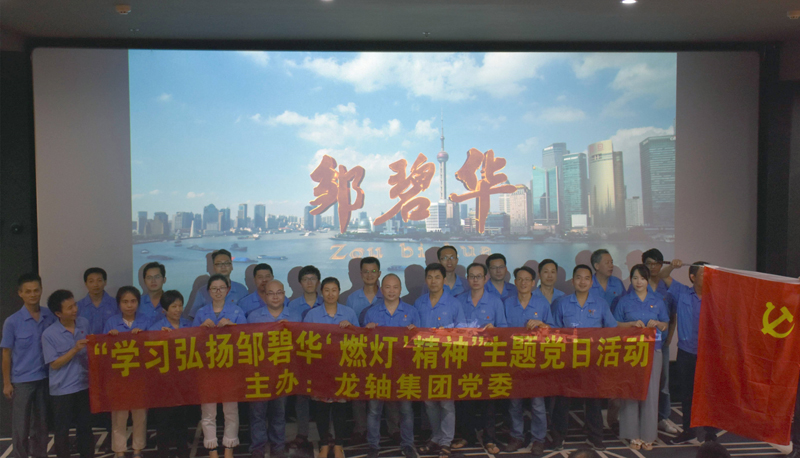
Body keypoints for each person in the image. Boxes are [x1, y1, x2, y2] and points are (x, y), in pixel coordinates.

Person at [551, 265, 617, 451]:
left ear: (591, 282)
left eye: (586, 278)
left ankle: (596, 438)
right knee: (562, 401)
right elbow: (554, 331)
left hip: (592, 361)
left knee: (593, 401)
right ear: (573, 281)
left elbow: (611, 329)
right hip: (568, 361)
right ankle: (558, 438)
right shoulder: (562, 303)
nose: (582, 281)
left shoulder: (601, 304)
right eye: (578, 278)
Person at [362, 274, 419, 458]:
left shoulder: (411, 312)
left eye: (395, 287)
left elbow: (420, 343)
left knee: (406, 410)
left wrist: (414, 333)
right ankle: (373, 445)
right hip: (378, 370)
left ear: (400, 289)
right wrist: (367, 331)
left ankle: (408, 444)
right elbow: (363, 345)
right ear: (381, 290)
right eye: (387, 287)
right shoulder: (371, 313)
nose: (391, 291)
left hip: (404, 370)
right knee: (374, 411)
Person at [613, 265, 669, 451]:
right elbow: (615, 325)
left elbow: (665, 324)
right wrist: (629, 324)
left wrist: (658, 323)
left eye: (643, 278)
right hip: (630, 351)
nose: (639, 282)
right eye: (635, 278)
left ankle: (648, 435)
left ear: (647, 280)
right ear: (630, 279)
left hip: (653, 350)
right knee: (631, 391)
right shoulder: (624, 301)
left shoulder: (657, 300)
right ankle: (632, 434)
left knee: (651, 392)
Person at [303, 277, 359, 458]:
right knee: (321, 410)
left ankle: (339, 445)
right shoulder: (312, 315)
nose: (330, 294)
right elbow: (304, 340)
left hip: (342, 369)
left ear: (339, 292)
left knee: (340, 410)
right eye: (326, 290)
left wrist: (351, 328)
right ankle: (324, 445)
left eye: (334, 290)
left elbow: (360, 340)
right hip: (320, 370)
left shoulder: (349, 313)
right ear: (321, 292)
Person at [1, 273, 57, 458]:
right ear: (20, 293)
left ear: (41, 290)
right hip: (22, 381)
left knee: (41, 425)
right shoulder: (12, 322)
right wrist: (7, 383)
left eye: (36, 290)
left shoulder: (50, 316)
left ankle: (40, 455)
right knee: (21, 426)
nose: (33, 294)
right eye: (28, 291)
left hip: (45, 378)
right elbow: (6, 353)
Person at [453, 263, 506, 453]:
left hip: (488, 358)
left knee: (488, 400)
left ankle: (489, 439)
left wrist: (495, 330)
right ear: (467, 278)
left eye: (479, 276)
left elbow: (504, 329)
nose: (475, 280)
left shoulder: (495, 302)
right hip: (465, 358)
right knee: (465, 399)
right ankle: (466, 436)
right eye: (472, 276)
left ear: (486, 278)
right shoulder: (458, 301)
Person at [415, 263, 466, 458]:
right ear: (425, 280)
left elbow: (463, 332)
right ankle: (435, 437)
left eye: (437, 277)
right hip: (424, 359)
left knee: (446, 402)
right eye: (430, 277)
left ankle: (446, 441)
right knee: (429, 402)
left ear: (444, 279)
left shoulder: (454, 304)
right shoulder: (419, 303)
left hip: (447, 360)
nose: (433, 281)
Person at [193, 274, 247, 458]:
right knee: (208, 411)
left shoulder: (237, 311)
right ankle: (212, 450)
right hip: (207, 369)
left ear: (228, 290)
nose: (218, 292)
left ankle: (229, 447)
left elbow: (247, 338)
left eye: (222, 288)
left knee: (230, 410)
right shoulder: (201, 313)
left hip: (230, 368)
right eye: (214, 288)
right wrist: (200, 328)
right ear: (208, 291)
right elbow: (191, 342)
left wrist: (233, 326)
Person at [665, 261, 719, 444]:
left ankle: (710, 433)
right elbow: (663, 276)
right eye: (704, 274)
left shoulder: (716, 295)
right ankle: (689, 430)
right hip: (687, 352)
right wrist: (673, 266)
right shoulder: (682, 292)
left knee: (709, 395)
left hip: (709, 354)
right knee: (687, 394)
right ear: (692, 277)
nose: (708, 277)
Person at [503, 266, 552, 457]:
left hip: (536, 361)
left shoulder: (542, 304)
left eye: (527, 280)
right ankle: (516, 436)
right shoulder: (507, 303)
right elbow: (500, 330)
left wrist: (542, 324)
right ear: (515, 282)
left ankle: (538, 439)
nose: (523, 283)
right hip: (513, 359)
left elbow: (554, 330)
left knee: (537, 403)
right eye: (520, 279)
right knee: (514, 403)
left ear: (533, 283)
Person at [41, 289, 93, 458]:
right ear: (58, 313)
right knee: (62, 431)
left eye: (75, 305)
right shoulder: (49, 334)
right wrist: (75, 349)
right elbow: (54, 364)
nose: (75, 310)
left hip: (83, 384)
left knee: (85, 427)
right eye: (70, 308)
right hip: (62, 389)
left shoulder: (84, 323)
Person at [248, 280, 294, 458]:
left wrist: (290, 331)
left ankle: (278, 447)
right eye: (271, 293)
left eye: (279, 292)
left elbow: (303, 346)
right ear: (264, 296)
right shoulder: (253, 317)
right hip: (259, 373)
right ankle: (258, 448)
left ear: (284, 294)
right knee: (257, 414)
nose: (275, 297)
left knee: (279, 414)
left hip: (283, 374)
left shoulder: (294, 316)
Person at [103, 287, 149, 458]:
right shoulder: (111, 323)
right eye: (125, 302)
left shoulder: (145, 321)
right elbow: (103, 353)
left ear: (138, 303)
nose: (129, 305)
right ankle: (120, 451)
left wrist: (144, 337)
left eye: (133, 301)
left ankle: (137, 450)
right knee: (119, 417)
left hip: (139, 377)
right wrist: (110, 339)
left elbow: (154, 348)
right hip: (118, 378)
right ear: (119, 304)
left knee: (140, 416)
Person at [147, 290, 192, 458]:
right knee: (163, 422)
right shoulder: (156, 328)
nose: (178, 310)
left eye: (180, 305)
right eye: (174, 306)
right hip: (163, 383)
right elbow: (149, 355)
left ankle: (183, 452)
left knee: (182, 421)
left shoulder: (189, 325)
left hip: (184, 381)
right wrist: (160, 340)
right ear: (164, 309)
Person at [641, 248, 680, 434]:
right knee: (642, 380)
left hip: (661, 342)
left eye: (656, 263)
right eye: (648, 263)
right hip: (641, 344)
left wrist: (669, 338)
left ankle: (663, 417)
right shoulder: (639, 283)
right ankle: (643, 417)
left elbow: (673, 315)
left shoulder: (667, 286)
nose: (652, 267)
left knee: (663, 382)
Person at [345, 257, 383, 444]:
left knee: (385, 390)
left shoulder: (387, 294)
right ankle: (360, 428)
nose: (369, 275)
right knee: (359, 393)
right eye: (366, 271)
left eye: (373, 271)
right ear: (360, 274)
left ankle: (393, 428)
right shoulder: (352, 299)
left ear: (379, 273)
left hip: (383, 354)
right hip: (359, 353)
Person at [286, 265, 323, 453]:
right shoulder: (292, 306)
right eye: (305, 279)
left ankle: (327, 434)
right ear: (300, 282)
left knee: (325, 396)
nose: (309, 282)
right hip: (301, 358)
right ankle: (302, 433)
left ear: (318, 281)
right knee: (302, 397)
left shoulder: (328, 301)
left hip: (324, 359)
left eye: (313, 278)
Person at [188, 249, 249, 319]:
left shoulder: (241, 290)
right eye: (219, 264)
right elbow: (194, 318)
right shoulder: (203, 291)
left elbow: (247, 317)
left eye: (226, 263)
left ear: (231, 266)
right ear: (213, 267)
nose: (223, 267)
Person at [76, 267, 119, 335]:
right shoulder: (78, 306)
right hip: (86, 341)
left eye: (99, 280)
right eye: (91, 281)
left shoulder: (116, 304)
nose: (95, 285)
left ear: (105, 282)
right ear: (86, 284)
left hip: (111, 341)